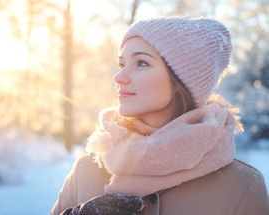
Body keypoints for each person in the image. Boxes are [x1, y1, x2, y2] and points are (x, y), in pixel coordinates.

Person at [50, 16, 269, 215]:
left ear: (180, 82)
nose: (119, 76)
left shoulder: (241, 187)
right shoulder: (88, 169)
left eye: (141, 63)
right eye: (122, 63)